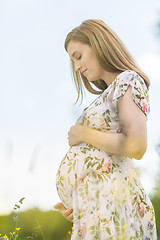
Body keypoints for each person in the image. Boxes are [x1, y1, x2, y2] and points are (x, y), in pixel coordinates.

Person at [54, 19, 157, 239]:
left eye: (78, 56)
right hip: (101, 209)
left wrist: (83, 133)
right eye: (72, 61)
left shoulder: (127, 81)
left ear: (99, 44)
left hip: (118, 207)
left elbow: (137, 146)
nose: (77, 67)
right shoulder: (108, 94)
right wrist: (79, 202)